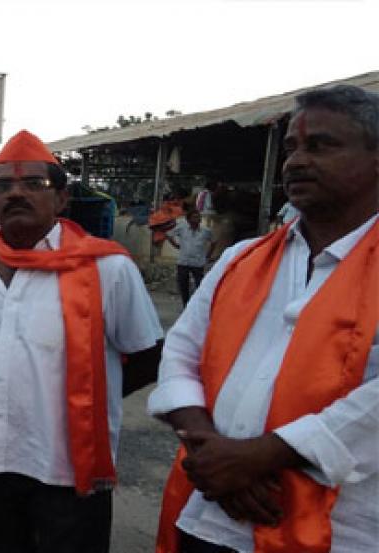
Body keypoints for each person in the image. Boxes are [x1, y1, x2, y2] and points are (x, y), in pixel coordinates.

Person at [149, 85, 379, 553]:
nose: (295, 161)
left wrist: (260, 456)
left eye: (321, 145)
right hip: (210, 511)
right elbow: (181, 353)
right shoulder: (242, 258)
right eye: (292, 147)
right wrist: (208, 451)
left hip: (337, 528)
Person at [0, 130, 164, 553]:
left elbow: (148, 355)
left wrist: (95, 395)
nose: (15, 194)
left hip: (69, 465)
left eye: (33, 184)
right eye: (2, 186)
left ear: (61, 199)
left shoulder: (107, 268)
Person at [166, 210, 213, 305]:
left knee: (200, 284)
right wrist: (175, 245)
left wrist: (208, 254)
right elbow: (169, 235)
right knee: (183, 285)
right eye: (194, 217)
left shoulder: (205, 231)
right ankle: (186, 304)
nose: (197, 219)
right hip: (183, 262)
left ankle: (199, 304)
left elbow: (214, 241)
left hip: (198, 262)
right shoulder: (182, 228)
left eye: (198, 217)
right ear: (188, 219)